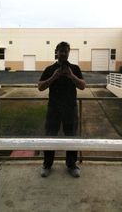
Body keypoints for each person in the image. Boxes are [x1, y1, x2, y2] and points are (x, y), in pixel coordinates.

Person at [38, 41, 86, 178]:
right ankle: (47, 165)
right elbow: (40, 87)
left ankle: (71, 165)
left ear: (68, 53)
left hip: (70, 109)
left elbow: (83, 86)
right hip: (53, 109)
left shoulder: (75, 68)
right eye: (61, 51)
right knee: (49, 137)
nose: (63, 53)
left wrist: (71, 76)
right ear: (56, 52)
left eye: (66, 51)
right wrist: (54, 77)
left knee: (71, 137)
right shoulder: (49, 69)